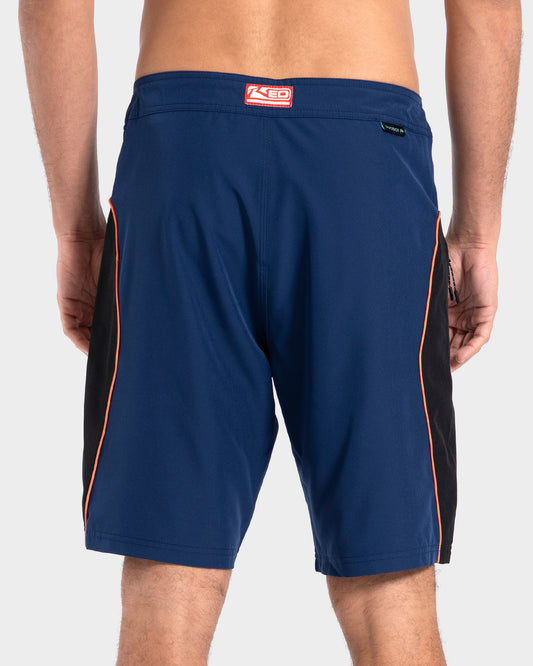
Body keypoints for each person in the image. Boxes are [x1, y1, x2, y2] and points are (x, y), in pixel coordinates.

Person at [19, 0, 521, 663]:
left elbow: (51, 6)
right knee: (389, 583)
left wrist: (75, 230)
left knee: (169, 579)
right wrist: (478, 235)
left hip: (184, 149)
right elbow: (489, 8)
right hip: (361, 157)